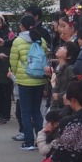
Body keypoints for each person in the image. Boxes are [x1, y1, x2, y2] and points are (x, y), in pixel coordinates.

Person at [10, 16, 49, 151]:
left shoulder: (18, 41)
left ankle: (28, 141)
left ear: (22, 26)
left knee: (25, 112)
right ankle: (40, 140)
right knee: (36, 111)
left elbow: (13, 62)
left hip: (24, 81)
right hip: (39, 79)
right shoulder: (41, 40)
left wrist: (17, 74)